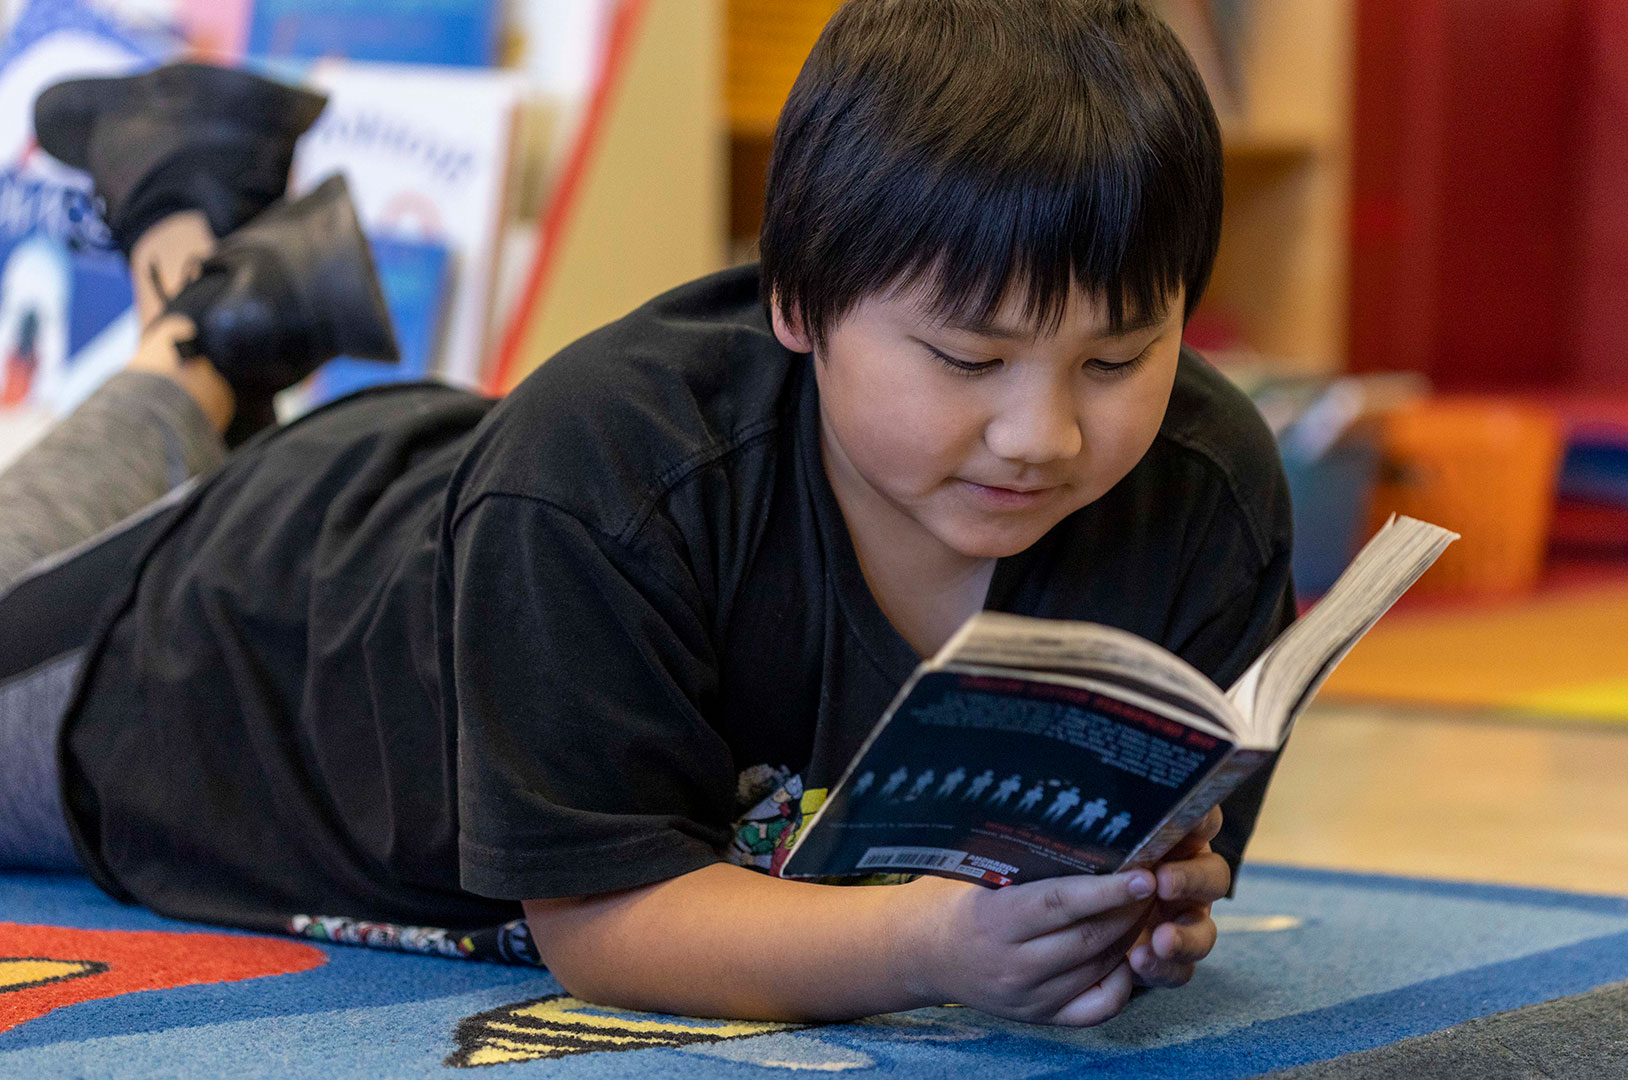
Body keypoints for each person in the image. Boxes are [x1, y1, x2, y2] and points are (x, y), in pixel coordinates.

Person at [0, 0, 1295, 1029]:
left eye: (1119, 360)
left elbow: (1172, 833)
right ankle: (204, 301)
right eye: (966, 359)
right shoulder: (607, 472)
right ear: (793, 300)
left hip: (455, 505)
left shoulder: (1205, 491)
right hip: (216, 640)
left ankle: (220, 293)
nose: (1045, 434)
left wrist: (1150, 902)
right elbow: (602, 923)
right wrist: (928, 948)